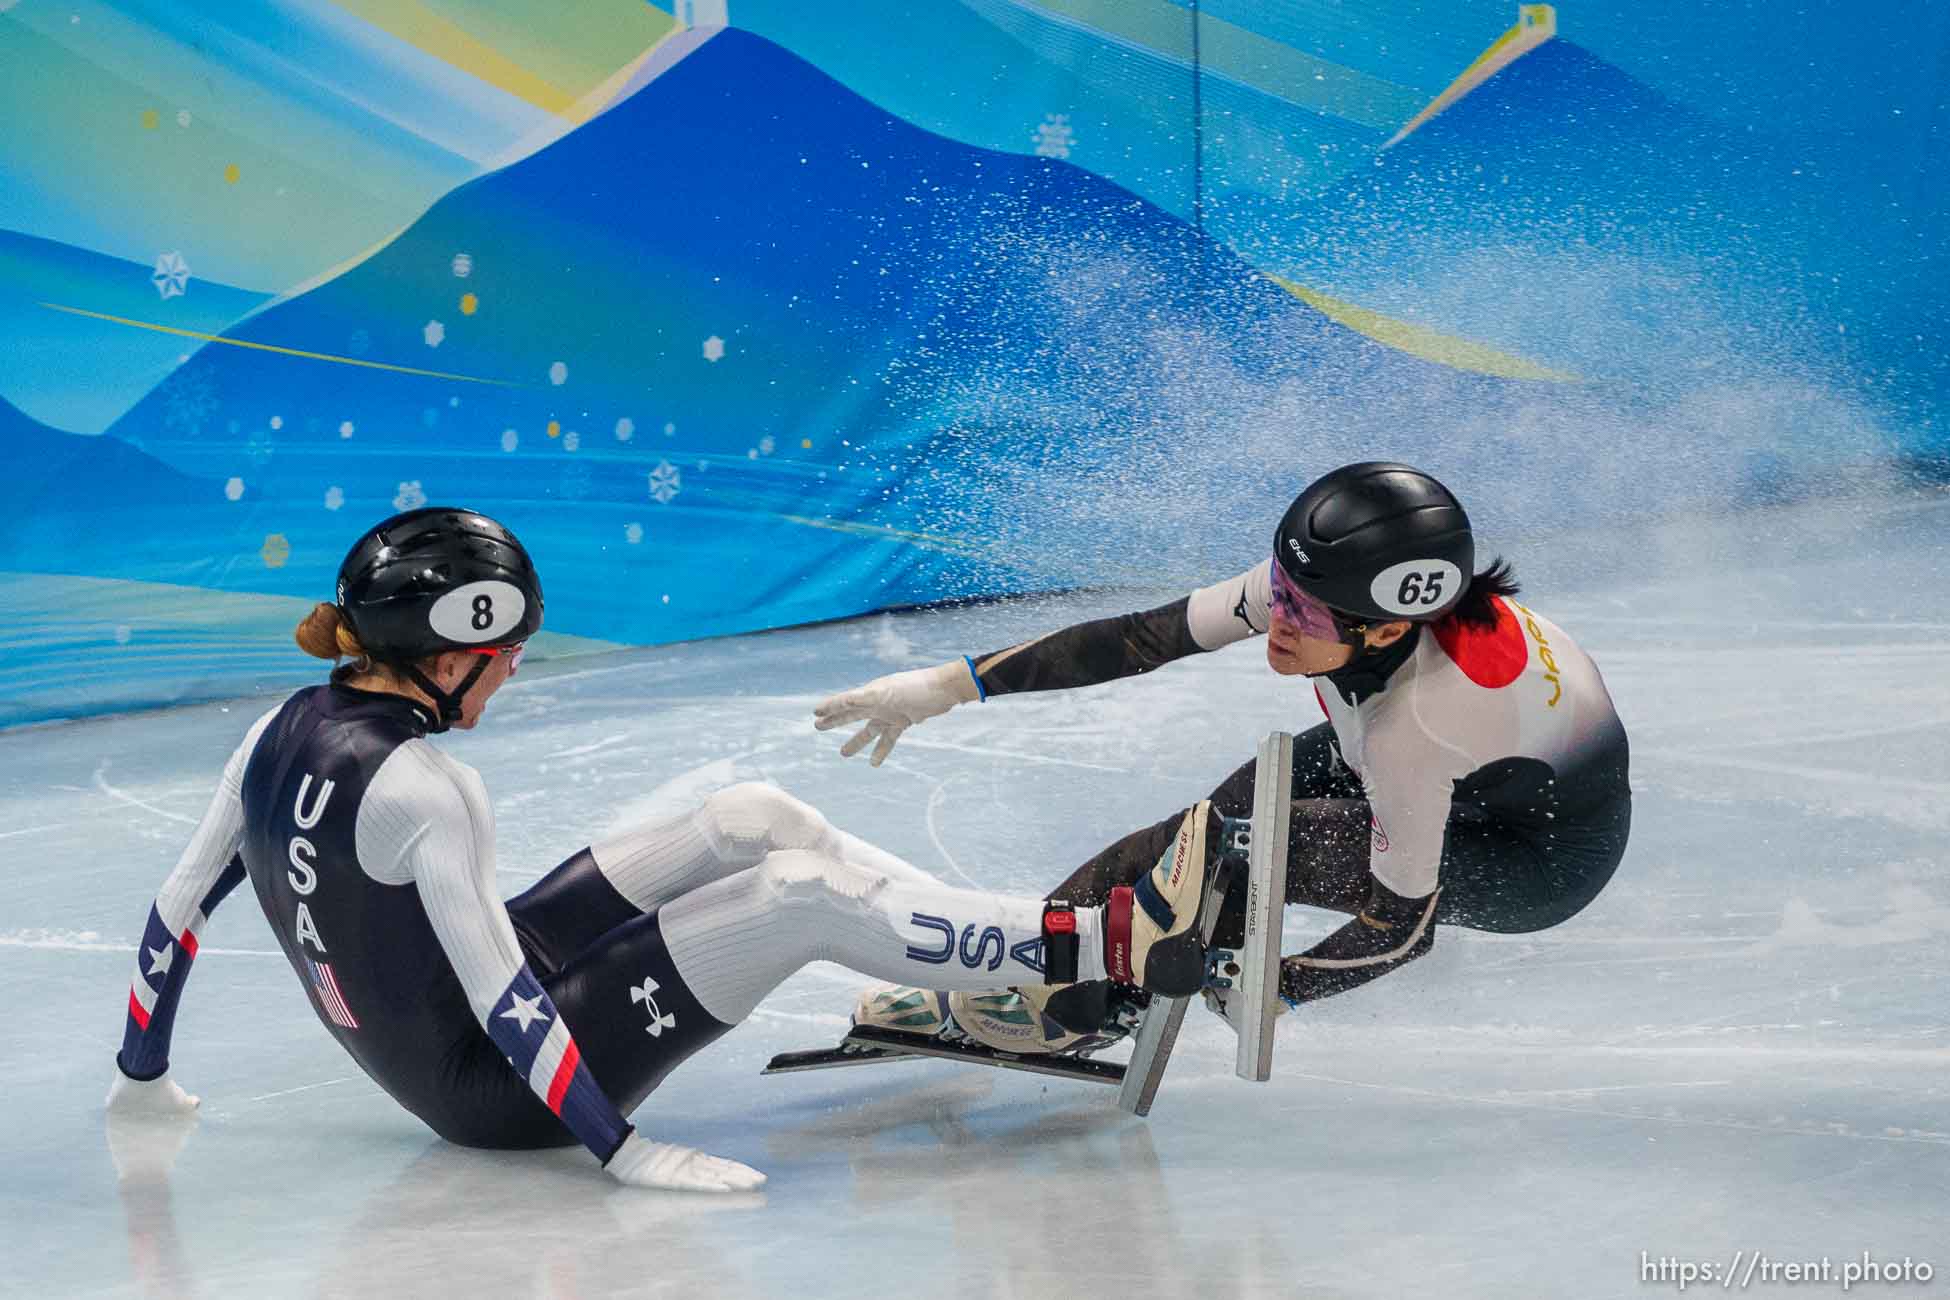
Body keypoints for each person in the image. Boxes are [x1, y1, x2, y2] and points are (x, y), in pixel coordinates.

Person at [106, 507, 1219, 1191]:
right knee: (796, 895)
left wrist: (140, 1082)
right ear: (448, 653)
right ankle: (1096, 945)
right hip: (501, 1092)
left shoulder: (274, 729)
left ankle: (975, 960)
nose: (515, 670)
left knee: (752, 817)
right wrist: (623, 1151)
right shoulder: (431, 787)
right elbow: (505, 1002)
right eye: (510, 649)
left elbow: (172, 917)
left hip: (454, 1024)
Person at [815, 462, 1631, 1051]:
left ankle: (1059, 1009)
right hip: (1480, 766)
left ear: (1387, 629)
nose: (1275, 620)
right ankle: (1031, 974)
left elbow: (1399, 925)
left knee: (1240, 866)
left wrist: (1281, 986)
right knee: (1194, 839)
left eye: (1302, 614)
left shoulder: (1417, 726)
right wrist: (949, 685)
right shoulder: (1336, 595)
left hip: (1536, 854)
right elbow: (1141, 638)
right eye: (1278, 592)